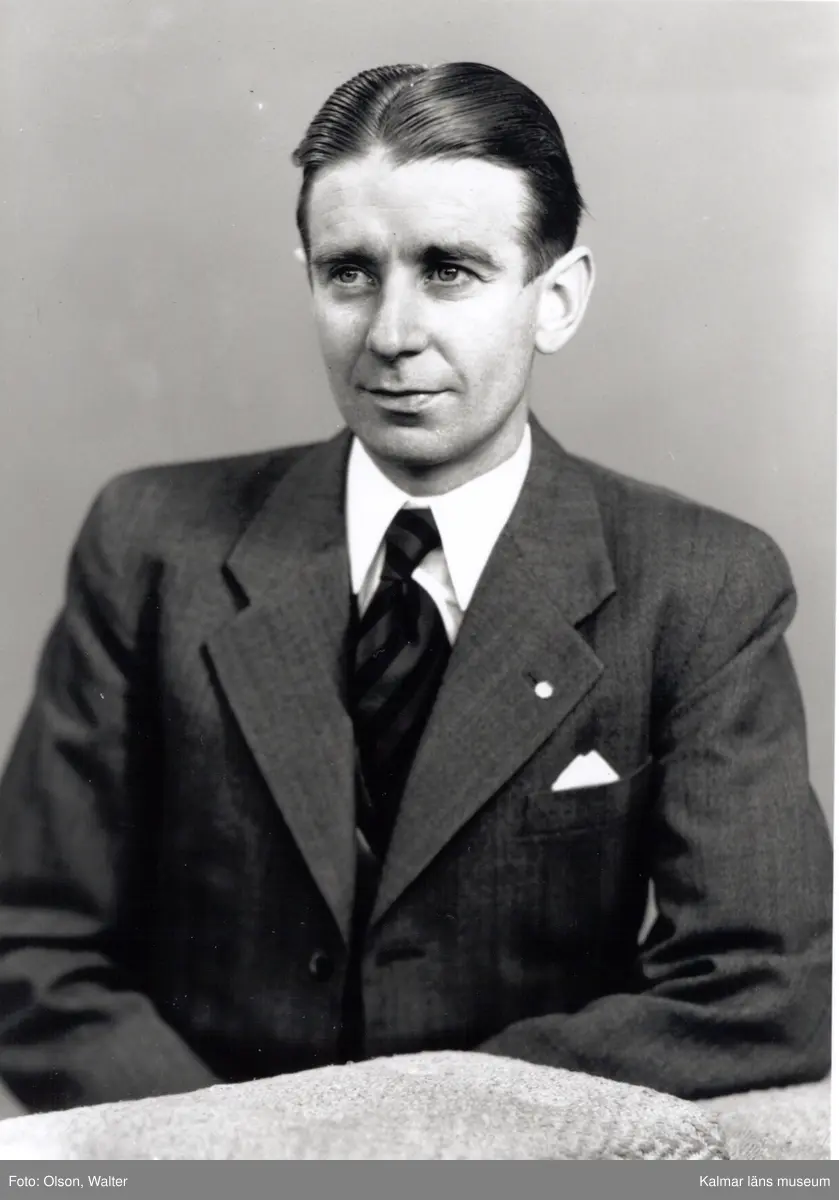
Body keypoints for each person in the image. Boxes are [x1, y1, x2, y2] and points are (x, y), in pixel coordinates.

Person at [0, 61, 830, 1115]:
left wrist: (408, 1141)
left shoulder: (699, 585)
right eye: (349, 273)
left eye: (448, 271)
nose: (390, 334)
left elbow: (758, 991)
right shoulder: (151, 543)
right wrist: (241, 1165)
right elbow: (31, 945)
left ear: (556, 299)